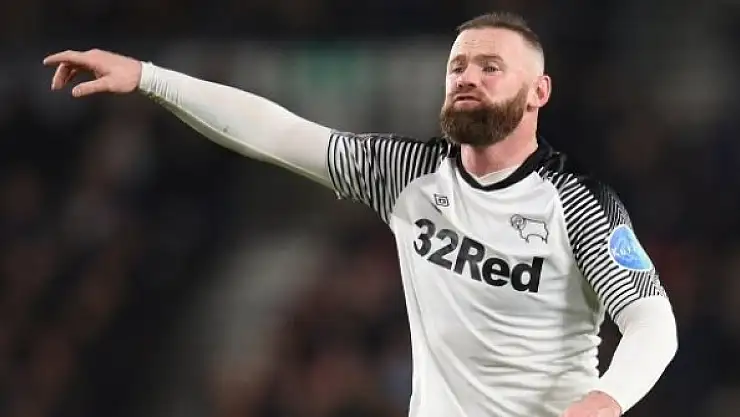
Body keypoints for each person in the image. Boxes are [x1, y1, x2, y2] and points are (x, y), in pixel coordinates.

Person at [43, 11, 677, 417]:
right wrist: (149, 76)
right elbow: (278, 133)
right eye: (457, 65)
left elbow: (653, 324)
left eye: (491, 67)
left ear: (539, 92)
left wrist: (604, 401)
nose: (468, 77)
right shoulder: (407, 175)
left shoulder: (577, 202)